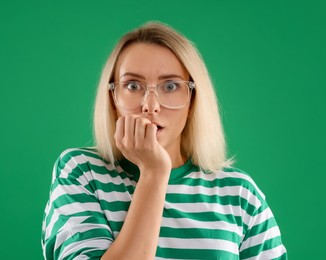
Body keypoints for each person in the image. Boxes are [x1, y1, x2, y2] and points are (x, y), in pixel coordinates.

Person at [41, 21, 287, 260]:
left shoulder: (239, 193)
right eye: (133, 85)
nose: (150, 106)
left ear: (193, 100)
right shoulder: (81, 171)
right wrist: (153, 172)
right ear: (113, 99)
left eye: (170, 86)